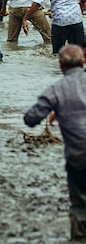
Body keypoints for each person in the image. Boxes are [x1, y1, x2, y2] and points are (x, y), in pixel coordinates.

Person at [24, 44, 86, 242]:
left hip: (78, 155)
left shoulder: (57, 89)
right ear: (83, 61)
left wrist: (59, 108)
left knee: (79, 201)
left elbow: (31, 118)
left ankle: (78, 238)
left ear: (61, 66)